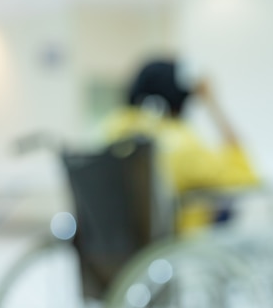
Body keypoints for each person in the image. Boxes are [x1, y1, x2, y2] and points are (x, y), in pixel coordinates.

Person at [105, 60, 259, 233]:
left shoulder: (112, 131)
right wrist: (212, 102)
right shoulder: (181, 144)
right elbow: (247, 176)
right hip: (176, 251)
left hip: (123, 254)